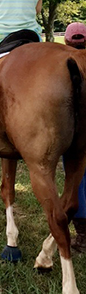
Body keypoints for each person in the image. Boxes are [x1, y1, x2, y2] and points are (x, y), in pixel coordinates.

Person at [64, 22, 86, 252]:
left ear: (67, 41)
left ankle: (82, 233)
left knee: (77, 177)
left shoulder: (66, 65)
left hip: (77, 132)